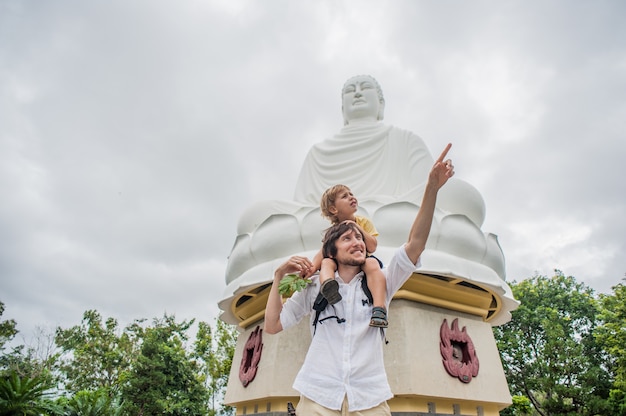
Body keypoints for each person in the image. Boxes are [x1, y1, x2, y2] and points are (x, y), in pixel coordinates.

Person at [264, 143, 455, 415]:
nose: (357, 241)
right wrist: (278, 276)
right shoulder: (314, 287)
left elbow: (415, 244)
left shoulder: (381, 282)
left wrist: (431, 189)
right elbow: (272, 325)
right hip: (318, 395)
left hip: (370, 398)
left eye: (358, 236)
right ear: (331, 250)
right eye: (347, 237)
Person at [307, 184, 389, 328]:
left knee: (372, 264)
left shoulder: (363, 222)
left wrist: (356, 227)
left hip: (361, 260)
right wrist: (311, 269)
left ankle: (379, 308)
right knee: (326, 262)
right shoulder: (333, 231)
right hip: (340, 262)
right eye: (345, 196)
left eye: (351, 194)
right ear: (334, 209)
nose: (351, 197)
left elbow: (372, 246)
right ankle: (329, 286)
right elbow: (323, 252)